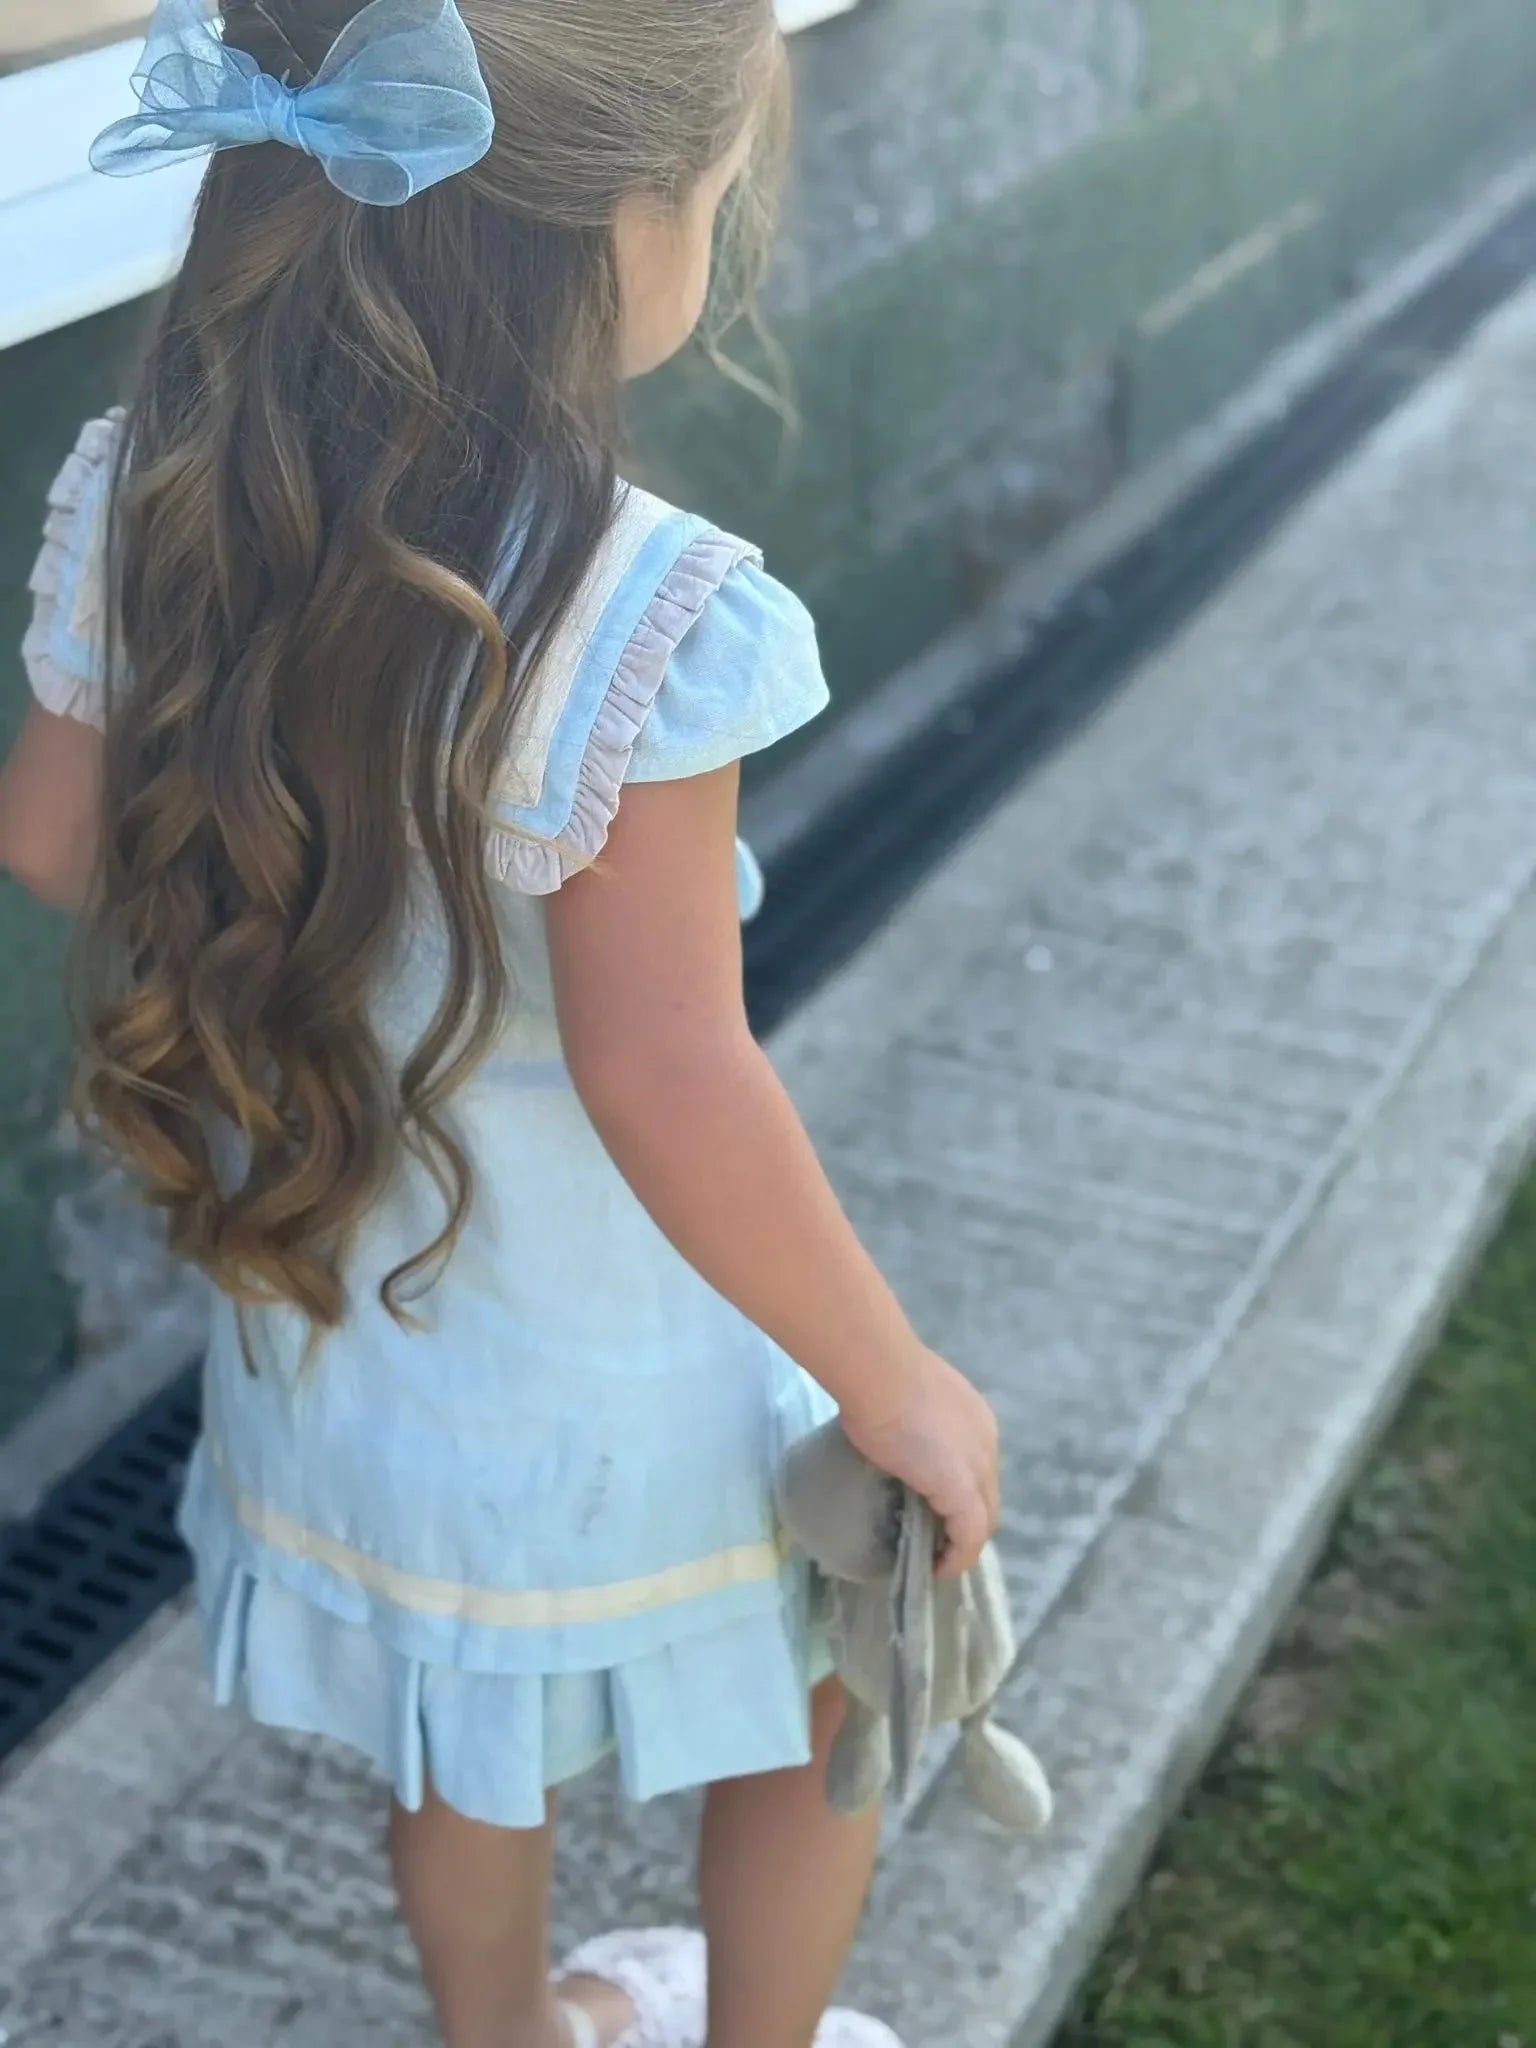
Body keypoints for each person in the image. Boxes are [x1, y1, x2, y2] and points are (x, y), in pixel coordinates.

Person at [0, 3, 1001, 2043]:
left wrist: (291, 820)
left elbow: (48, 838)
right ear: (612, 232)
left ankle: (512, 2035)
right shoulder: (643, 618)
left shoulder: (154, 492)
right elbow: (661, 1068)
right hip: (609, 1354)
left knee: (460, 1754)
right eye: (719, 197)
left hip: (347, 1308)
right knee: (826, 1672)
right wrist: (893, 1380)